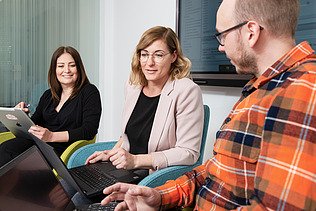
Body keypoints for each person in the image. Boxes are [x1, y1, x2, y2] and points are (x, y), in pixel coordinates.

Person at [100, 0, 316, 210]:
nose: (221, 47)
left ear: (251, 32)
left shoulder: (303, 90)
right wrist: (160, 196)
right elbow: (216, 171)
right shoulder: (259, 88)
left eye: (222, 35)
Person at [85, 26, 204, 175]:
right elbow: (127, 137)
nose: (149, 63)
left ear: (174, 56)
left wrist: (135, 160)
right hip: (126, 170)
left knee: (78, 198)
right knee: (68, 186)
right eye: (144, 54)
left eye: (158, 55)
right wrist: (111, 155)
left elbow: (188, 152)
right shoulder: (133, 86)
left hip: (153, 175)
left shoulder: (187, 90)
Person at [0, 46, 102, 166]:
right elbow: (34, 124)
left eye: (72, 65)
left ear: (79, 68)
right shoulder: (48, 95)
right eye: (61, 66)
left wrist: (52, 136)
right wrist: (21, 115)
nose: (67, 70)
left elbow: (89, 130)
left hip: (63, 151)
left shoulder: (89, 92)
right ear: (54, 70)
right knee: (6, 149)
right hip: (38, 145)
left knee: (14, 160)